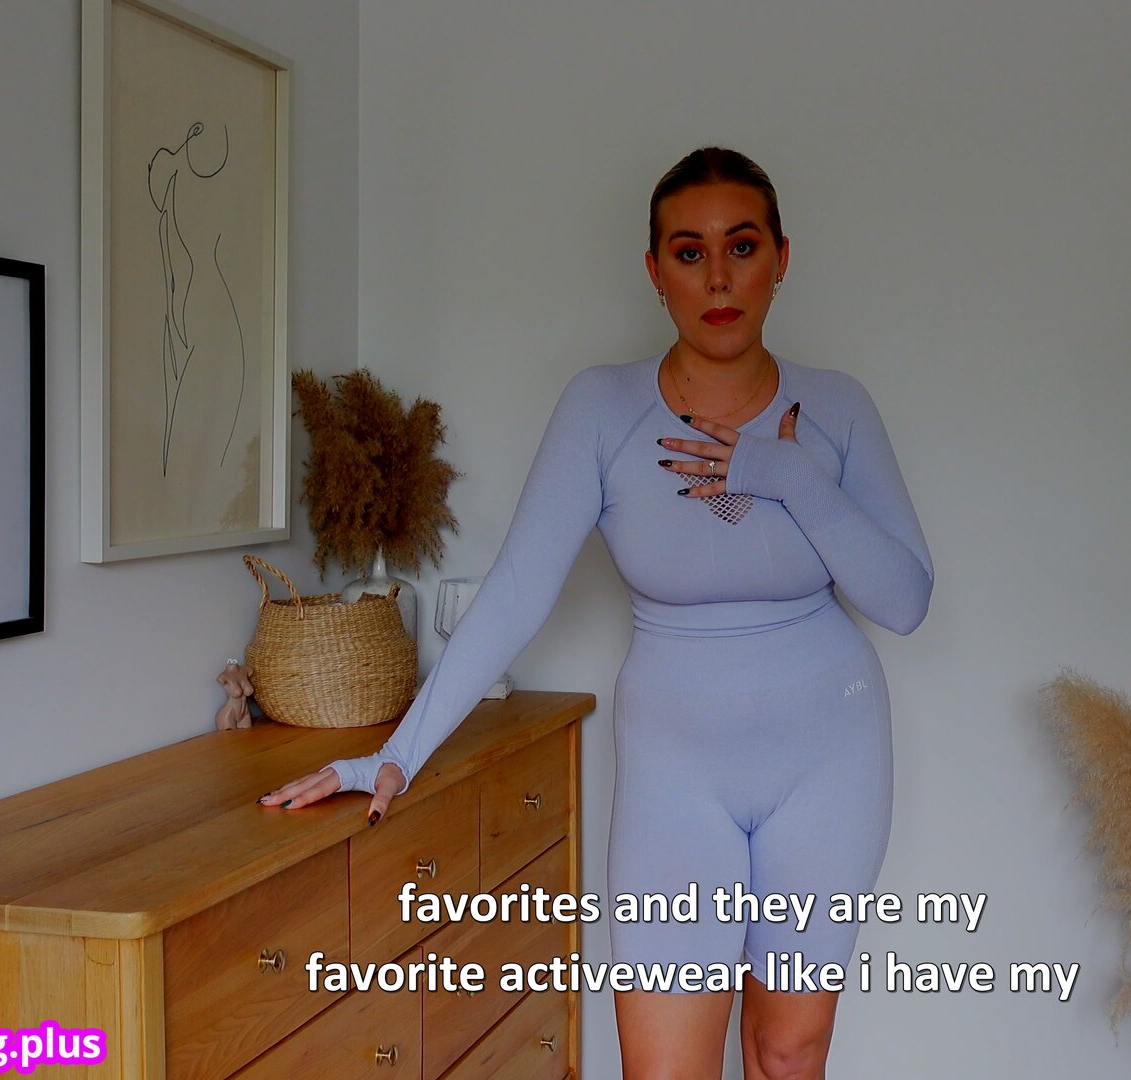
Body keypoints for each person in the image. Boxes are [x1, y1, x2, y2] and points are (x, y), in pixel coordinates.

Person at [258, 146, 933, 1079]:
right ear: (655, 272)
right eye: (689, 252)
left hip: (830, 757)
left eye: (742, 246)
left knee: (788, 1051)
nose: (719, 276)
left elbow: (906, 600)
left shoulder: (837, 408)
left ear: (782, 258)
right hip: (677, 773)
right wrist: (396, 753)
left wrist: (786, 476)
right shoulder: (603, 408)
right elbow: (516, 590)